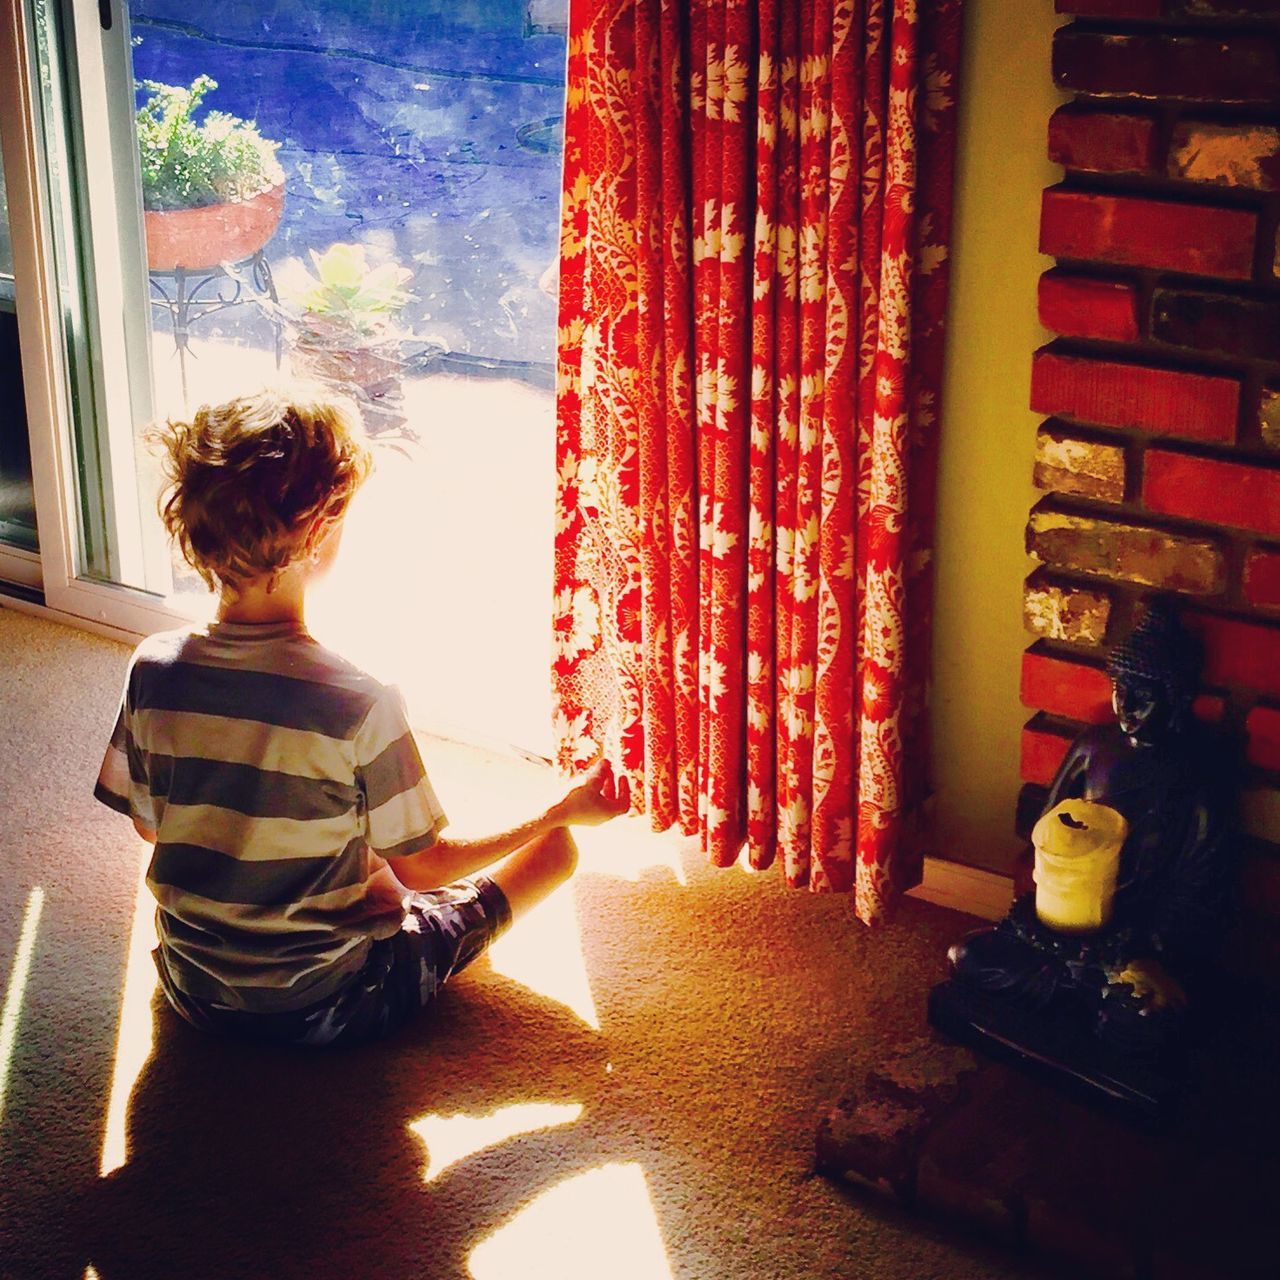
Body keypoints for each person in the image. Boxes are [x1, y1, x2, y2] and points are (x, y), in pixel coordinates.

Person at [94, 385, 629, 1049]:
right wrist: (561, 810)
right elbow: (425, 869)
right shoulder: (358, 701)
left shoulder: (153, 668)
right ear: (317, 534)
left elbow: (153, 828)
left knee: (359, 852)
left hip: (193, 991)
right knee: (553, 854)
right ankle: (541, 839)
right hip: (327, 1006)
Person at [945, 602, 1236, 1055]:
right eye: (1122, 689)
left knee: (1145, 1013)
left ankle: (1099, 1001)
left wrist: (1145, 950)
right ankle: (1089, 1000)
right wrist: (1051, 896)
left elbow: (1198, 890)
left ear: (1178, 698)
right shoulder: (1094, 748)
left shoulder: (1196, 779)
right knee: (967, 958)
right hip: (1065, 930)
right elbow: (1046, 827)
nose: (1129, 706)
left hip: (1136, 942)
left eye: (1146, 694)